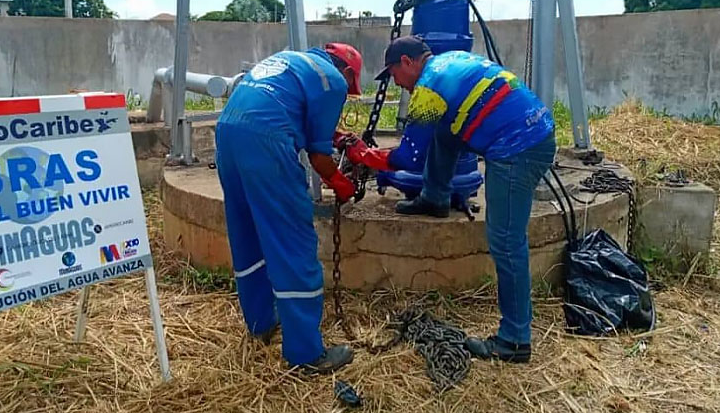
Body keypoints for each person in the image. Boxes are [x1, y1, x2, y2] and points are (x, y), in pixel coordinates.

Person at [344, 36, 556, 363]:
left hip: (518, 149)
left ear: (407, 62)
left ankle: (515, 341)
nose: (397, 83)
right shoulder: (450, 61)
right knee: (446, 129)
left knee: (506, 242)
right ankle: (435, 197)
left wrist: (365, 155)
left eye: (394, 74)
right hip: (534, 130)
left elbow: (410, 158)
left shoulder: (428, 87)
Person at [215, 42, 363, 374]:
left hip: (227, 135)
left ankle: (261, 323)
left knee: (247, 235)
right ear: (347, 72)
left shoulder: (289, 61)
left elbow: (285, 109)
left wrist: (336, 137)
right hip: (267, 144)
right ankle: (306, 354)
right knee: (293, 243)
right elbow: (318, 158)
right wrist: (341, 183)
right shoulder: (333, 80)